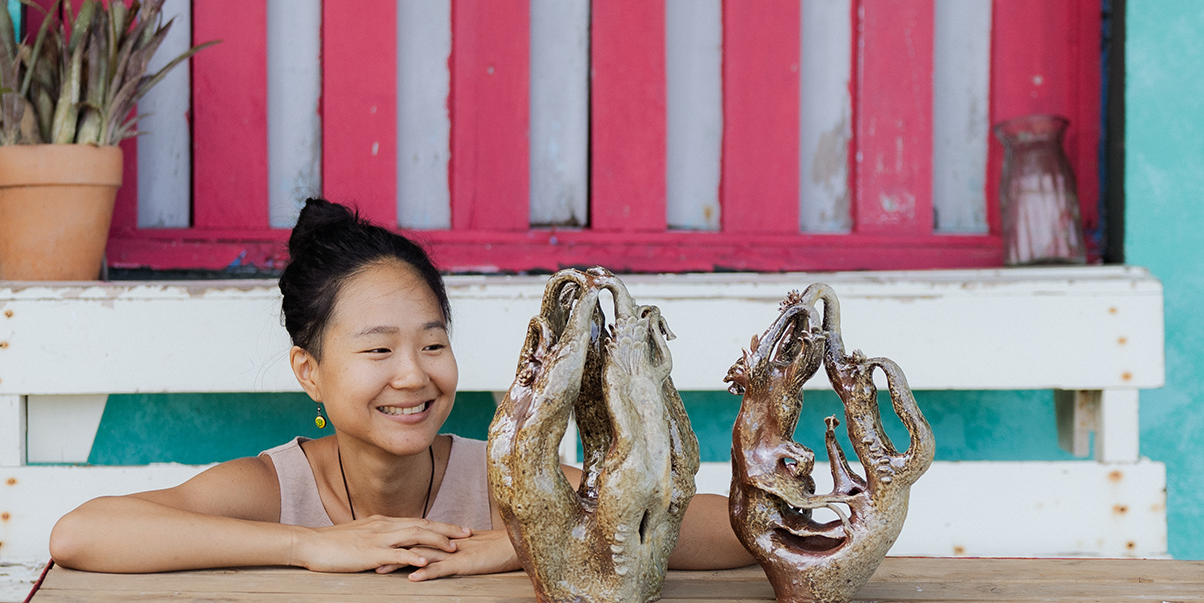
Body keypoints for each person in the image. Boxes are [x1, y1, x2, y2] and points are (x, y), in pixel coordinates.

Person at [49, 198, 754, 579]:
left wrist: (529, 540)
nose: (413, 373)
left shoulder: (508, 482)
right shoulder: (280, 491)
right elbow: (82, 534)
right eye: (378, 349)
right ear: (310, 374)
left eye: (433, 343)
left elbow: (735, 531)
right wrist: (312, 546)